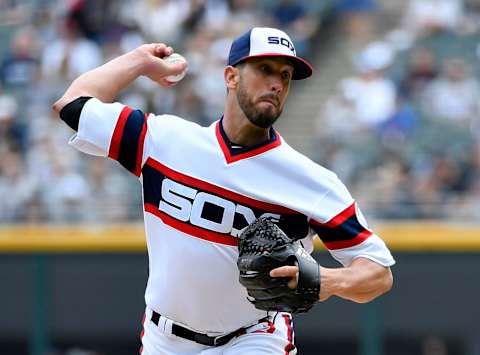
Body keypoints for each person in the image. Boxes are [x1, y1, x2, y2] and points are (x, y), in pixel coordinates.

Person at [53, 27, 395, 355]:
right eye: (265, 69)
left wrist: (327, 280)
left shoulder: (310, 181)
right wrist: (140, 61)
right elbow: (72, 104)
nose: (276, 83)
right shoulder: (163, 141)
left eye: (285, 76)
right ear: (231, 76)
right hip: (165, 338)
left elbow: (378, 273)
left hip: (255, 338)